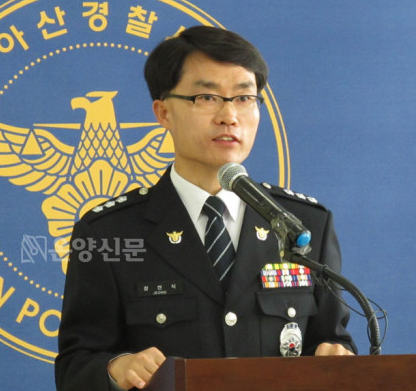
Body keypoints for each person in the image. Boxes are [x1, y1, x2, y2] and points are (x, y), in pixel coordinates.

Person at [55, 26, 356, 391]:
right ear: (163, 112)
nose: (229, 116)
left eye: (244, 98)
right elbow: (76, 364)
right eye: (207, 97)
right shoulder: (108, 233)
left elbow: (332, 340)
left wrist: (337, 356)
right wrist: (116, 369)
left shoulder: (304, 224)